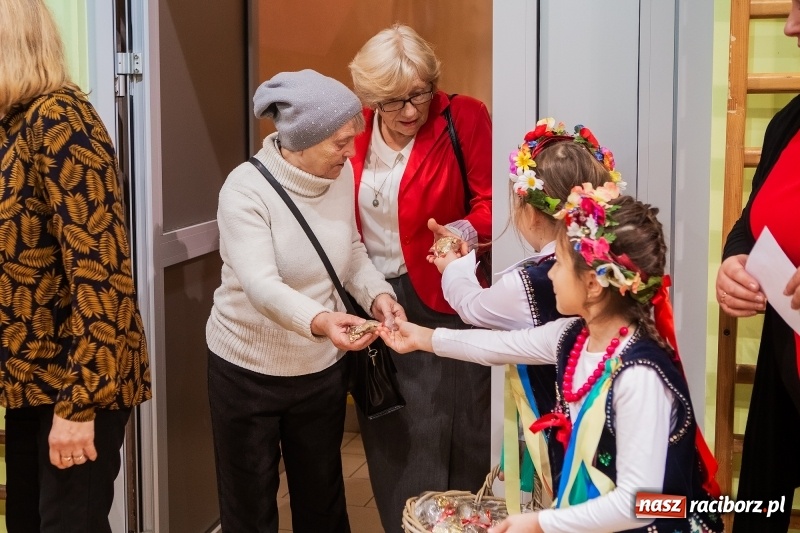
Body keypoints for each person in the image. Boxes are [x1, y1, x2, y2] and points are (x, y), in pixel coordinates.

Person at [380, 185, 724, 533]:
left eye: (558, 263)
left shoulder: (638, 376)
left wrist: (541, 523)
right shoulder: (573, 336)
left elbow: (639, 504)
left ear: (592, 284)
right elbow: (498, 346)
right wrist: (423, 338)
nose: (551, 274)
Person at [205, 69, 405, 533]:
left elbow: (350, 250)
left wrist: (377, 295)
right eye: (339, 142)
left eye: (352, 140)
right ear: (299, 140)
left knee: (322, 500)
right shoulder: (244, 190)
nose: (350, 152)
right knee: (250, 508)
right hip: (246, 370)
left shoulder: (340, 173)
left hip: (319, 370)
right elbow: (260, 284)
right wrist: (320, 320)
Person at [0, 1, 152, 531]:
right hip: (29, 383)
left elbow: (102, 277)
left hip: (76, 384)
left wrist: (78, 407)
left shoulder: (60, 120)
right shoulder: (13, 124)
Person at [430, 119, 623, 508]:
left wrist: (453, 264)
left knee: (578, 502)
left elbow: (472, 308)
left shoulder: (530, 280)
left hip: (569, 429)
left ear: (531, 213)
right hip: (613, 426)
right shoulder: (616, 261)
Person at [347, 23, 493, 531]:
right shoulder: (355, 127)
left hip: (440, 294)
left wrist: (458, 232)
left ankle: (460, 525)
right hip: (372, 295)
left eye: (420, 94)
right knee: (390, 427)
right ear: (370, 98)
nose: (410, 111)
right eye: (393, 101)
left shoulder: (465, 117)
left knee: (451, 429)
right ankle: (403, 524)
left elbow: (493, 205)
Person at [715, 4, 800, 531]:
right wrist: (733, 262)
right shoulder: (788, 121)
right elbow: (751, 223)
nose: (790, 26)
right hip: (782, 365)